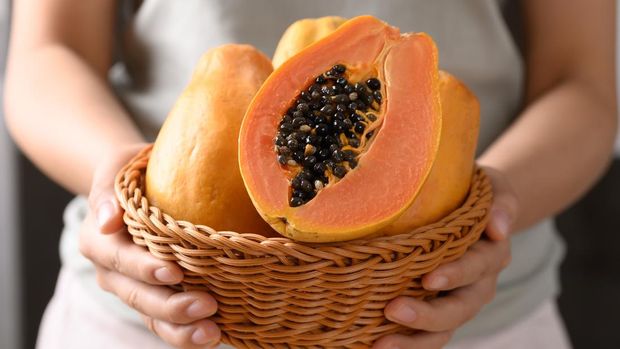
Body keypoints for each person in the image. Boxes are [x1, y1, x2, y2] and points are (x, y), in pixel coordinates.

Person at [4, 1, 616, 348]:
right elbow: (46, 53)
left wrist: (488, 216)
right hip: (150, 305)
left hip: (461, 312)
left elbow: (586, 82)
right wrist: (115, 179)